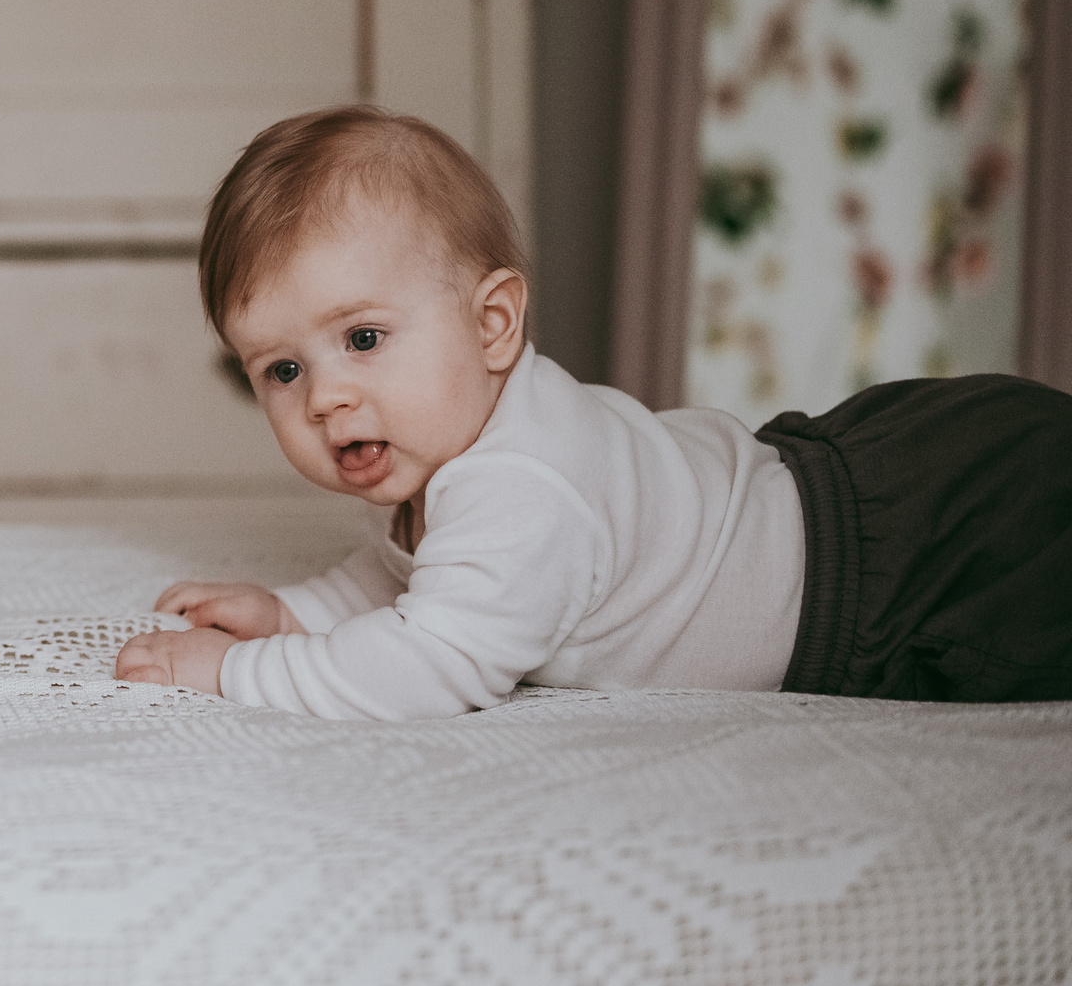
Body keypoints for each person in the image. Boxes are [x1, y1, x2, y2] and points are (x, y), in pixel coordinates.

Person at [114, 105, 1071, 718]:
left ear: (493, 323)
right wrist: (294, 612)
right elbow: (416, 573)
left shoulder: (522, 484)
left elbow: (430, 660)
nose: (326, 396)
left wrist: (230, 674)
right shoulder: (449, 444)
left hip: (907, 563)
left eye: (362, 338)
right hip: (838, 493)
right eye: (281, 369)